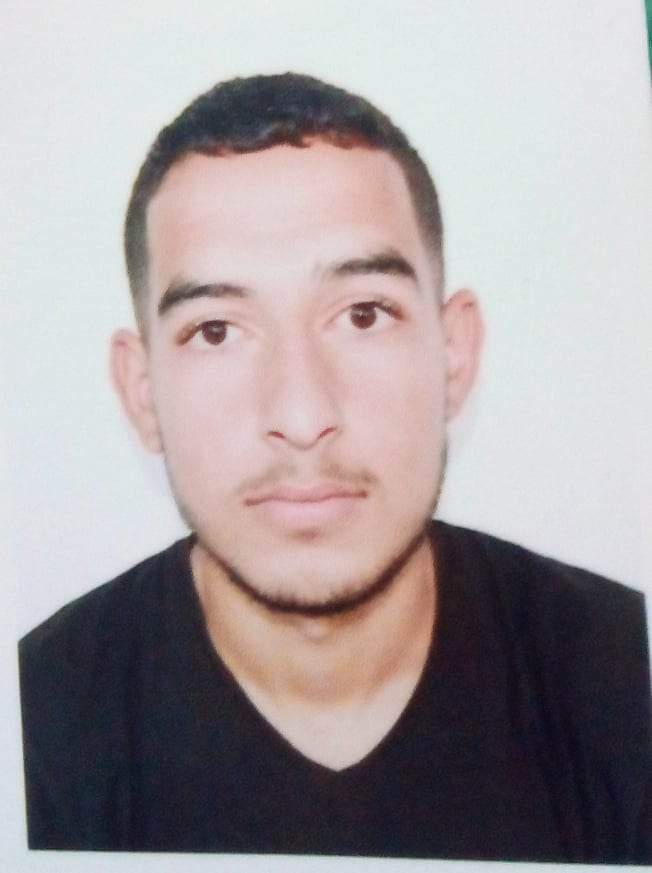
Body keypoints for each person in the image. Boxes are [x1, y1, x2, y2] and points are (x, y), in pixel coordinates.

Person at [18, 72, 650, 861]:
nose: (301, 413)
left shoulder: (625, 680)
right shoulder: (33, 729)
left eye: (363, 314)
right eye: (216, 330)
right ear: (141, 391)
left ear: (454, 355)